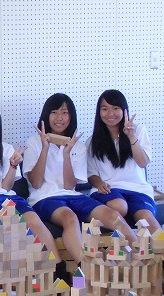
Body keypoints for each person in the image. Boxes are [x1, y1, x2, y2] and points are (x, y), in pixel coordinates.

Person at [23, 93, 136, 265]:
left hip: (73, 196)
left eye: (65, 113)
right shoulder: (34, 142)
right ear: (46, 115)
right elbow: (36, 183)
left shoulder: (79, 146)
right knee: (70, 218)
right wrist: (45, 149)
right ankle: (89, 269)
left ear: (71, 117)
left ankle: (141, 257)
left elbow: (69, 186)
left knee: (113, 215)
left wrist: (66, 154)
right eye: (54, 112)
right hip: (44, 198)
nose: (59, 118)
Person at [0, 104, 67, 279]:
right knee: (15, 227)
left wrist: (12, 166)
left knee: (34, 221)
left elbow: (6, 188)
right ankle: (28, 278)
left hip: (8, 197)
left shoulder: (7, 149)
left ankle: (58, 270)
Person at [87, 89, 161, 233]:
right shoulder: (92, 142)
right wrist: (99, 183)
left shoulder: (138, 130)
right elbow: (91, 174)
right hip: (109, 190)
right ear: (99, 112)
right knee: (119, 206)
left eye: (116, 108)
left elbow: (143, 163)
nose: (110, 113)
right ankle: (131, 244)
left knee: (147, 220)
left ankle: (163, 248)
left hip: (138, 190)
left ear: (124, 110)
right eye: (105, 109)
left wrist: (131, 136)